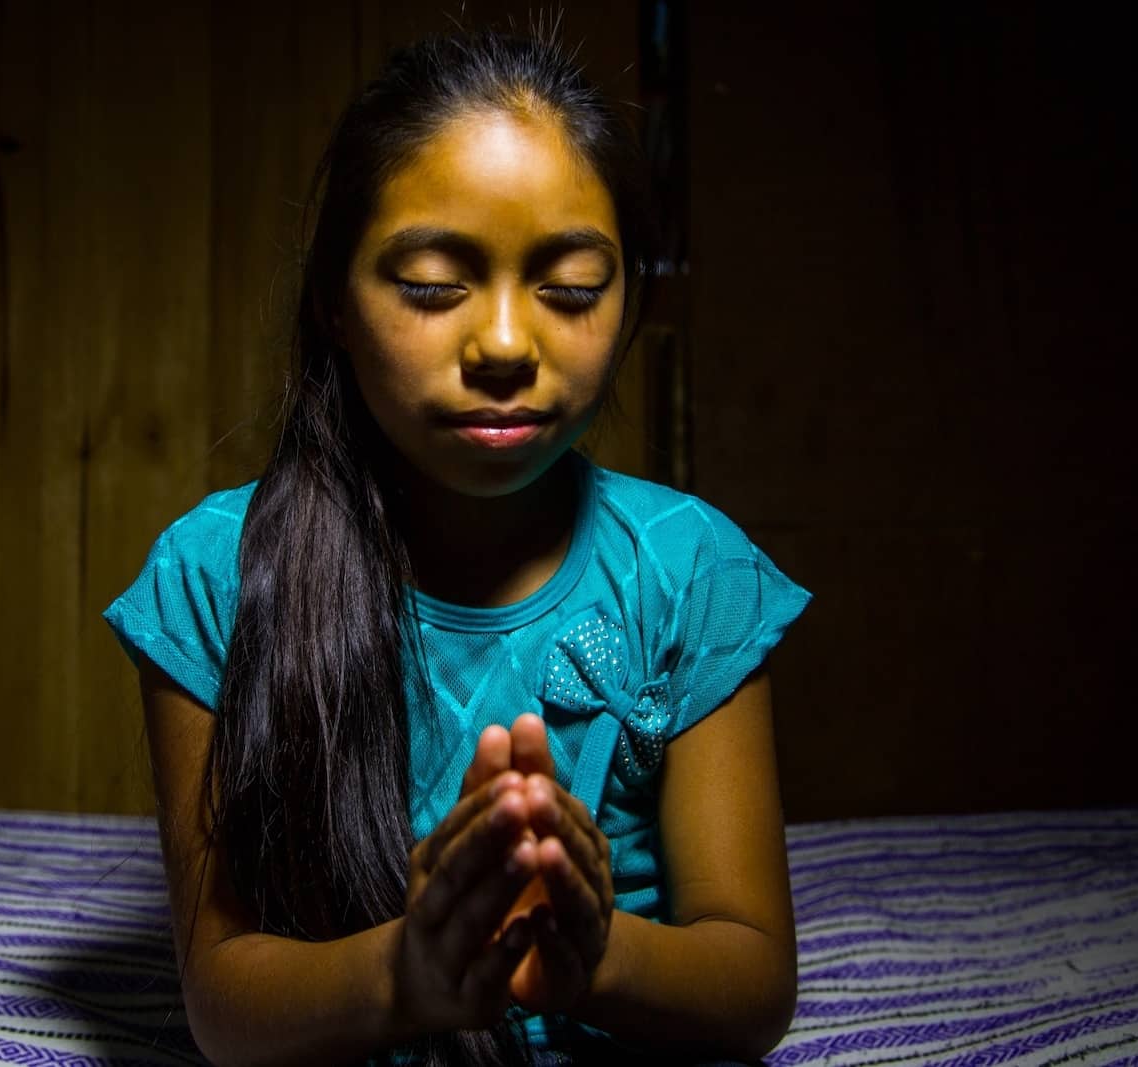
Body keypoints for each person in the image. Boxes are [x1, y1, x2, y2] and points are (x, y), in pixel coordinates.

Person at [104, 26, 810, 1067]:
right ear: (334, 303)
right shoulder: (214, 575)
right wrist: (407, 974)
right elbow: (225, 1001)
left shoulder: (688, 567)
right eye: (434, 284)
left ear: (626, 307)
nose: (506, 345)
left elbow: (751, 984)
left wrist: (596, 954)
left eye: (571, 288)